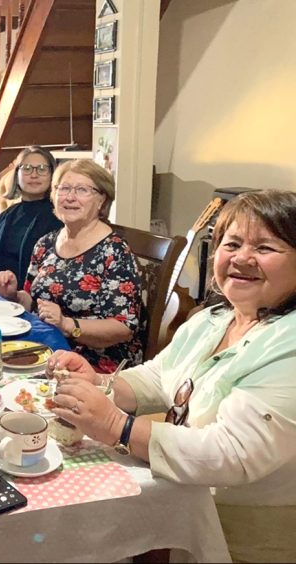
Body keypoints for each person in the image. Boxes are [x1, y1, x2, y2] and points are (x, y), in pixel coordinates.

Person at [47, 189, 296, 562]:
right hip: (185, 509)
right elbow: (159, 377)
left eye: (265, 248)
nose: (242, 258)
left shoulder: (288, 344)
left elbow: (233, 453)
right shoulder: (215, 319)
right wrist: (100, 383)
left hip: (248, 536)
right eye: (232, 243)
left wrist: (119, 426)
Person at [0, 159, 143, 372]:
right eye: (63, 188)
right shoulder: (45, 243)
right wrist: (12, 295)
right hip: (44, 347)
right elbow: (31, 301)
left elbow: (123, 328)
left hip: (95, 362)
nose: (70, 197)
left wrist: (66, 324)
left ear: (102, 200)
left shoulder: (115, 251)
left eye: (82, 190)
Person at [0, 146, 63, 292]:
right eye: (26, 168)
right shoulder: (7, 215)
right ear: (16, 175)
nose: (34, 175)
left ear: (52, 175)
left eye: (42, 169)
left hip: (29, 297)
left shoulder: (58, 217)